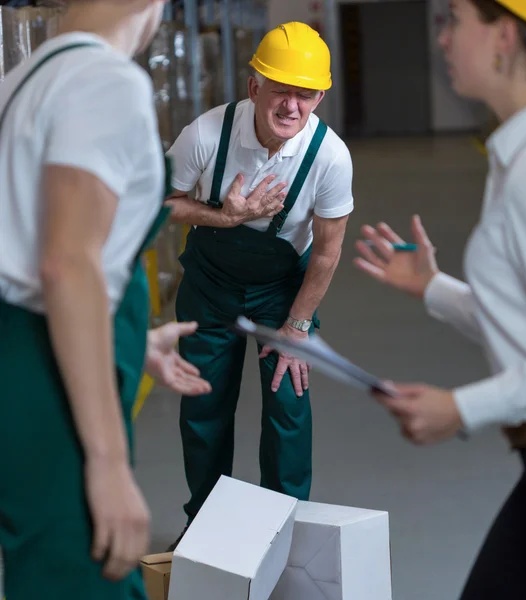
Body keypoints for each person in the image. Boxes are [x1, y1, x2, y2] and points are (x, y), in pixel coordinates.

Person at [355, 0, 526, 598]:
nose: (442, 39)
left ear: (504, 35)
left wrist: (461, 408)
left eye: (454, 20)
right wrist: (433, 288)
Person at [0, 1, 211, 598]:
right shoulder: (105, 81)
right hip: (52, 402)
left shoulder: (22, 80)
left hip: (26, 365)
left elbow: (18, 254)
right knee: (86, 581)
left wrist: (129, 342)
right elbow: (68, 264)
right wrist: (109, 464)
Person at [165, 21, 354, 544]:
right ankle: (204, 528)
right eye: (281, 91)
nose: (292, 106)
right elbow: (161, 204)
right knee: (203, 403)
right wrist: (224, 217)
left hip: (283, 291)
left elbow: (329, 249)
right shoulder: (206, 135)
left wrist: (297, 326)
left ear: (319, 96)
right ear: (254, 88)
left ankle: (287, 535)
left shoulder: (330, 158)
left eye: (306, 94)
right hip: (210, 283)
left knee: (289, 406)